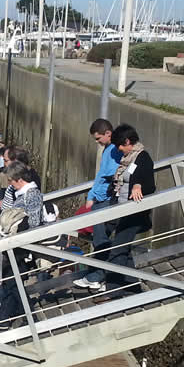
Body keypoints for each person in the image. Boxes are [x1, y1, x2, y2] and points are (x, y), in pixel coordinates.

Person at [0, 161, 44, 329]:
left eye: (11, 181)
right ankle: (5, 318)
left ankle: (26, 317)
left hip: (20, 245)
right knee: (12, 281)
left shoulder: (31, 194)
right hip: (16, 244)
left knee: (12, 281)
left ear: (18, 179)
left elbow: (34, 222)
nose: (9, 184)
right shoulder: (23, 194)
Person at [76, 118, 122, 291]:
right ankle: (101, 275)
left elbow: (108, 175)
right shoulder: (108, 149)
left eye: (98, 138)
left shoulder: (116, 150)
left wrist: (94, 196)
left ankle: (98, 276)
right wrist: (91, 195)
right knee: (100, 238)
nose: (97, 142)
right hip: (101, 198)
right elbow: (102, 176)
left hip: (108, 199)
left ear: (108, 133)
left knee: (101, 238)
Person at [105, 125, 155, 280]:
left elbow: (149, 184)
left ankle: (113, 290)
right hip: (122, 209)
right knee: (122, 249)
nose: (119, 149)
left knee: (118, 249)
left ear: (127, 141)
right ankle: (131, 285)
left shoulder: (142, 158)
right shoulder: (128, 160)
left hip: (134, 213)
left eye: (119, 145)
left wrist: (138, 185)